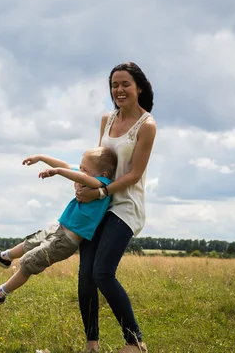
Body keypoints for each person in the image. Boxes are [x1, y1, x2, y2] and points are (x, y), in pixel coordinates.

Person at [76, 62, 156, 353]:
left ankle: (135, 342)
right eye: (114, 85)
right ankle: (92, 344)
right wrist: (84, 183)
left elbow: (134, 173)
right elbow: (100, 162)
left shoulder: (146, 125)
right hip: (99, 203)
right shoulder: (107, 119)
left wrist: (101, 191)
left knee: (102, 273)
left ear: (140, 87)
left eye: (125, 84)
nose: (119, 90)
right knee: (86, 274)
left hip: (125, 206)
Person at [0, 147, 118, 304]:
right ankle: (5, 257)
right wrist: (40, 157)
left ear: (102, 174)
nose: (81, 171)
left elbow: (81, 178)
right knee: (32, 241)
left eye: (85, 169)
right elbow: (67, 166)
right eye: (80, 167)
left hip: (66, 241)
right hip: (59, 228)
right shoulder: (87, 175)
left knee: (28, 262)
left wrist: (58, 172)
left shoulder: (103, 183)